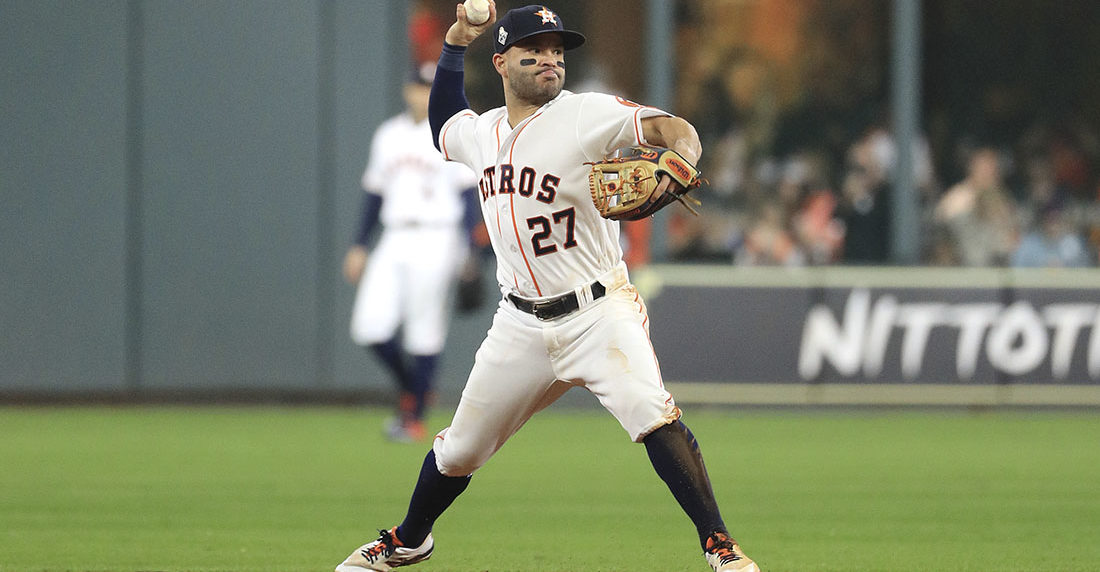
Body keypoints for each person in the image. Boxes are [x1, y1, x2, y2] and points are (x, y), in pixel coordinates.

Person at [334, 4, 760, 571]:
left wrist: (682, 155)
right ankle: (410, 539)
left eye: (557, 50)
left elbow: (671, 128)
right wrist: (455, 41)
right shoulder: (484, 133)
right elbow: (443, 124)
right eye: (533, 50)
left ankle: (719, 545)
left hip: (598, 311)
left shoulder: (586, 113)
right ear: (501, 62)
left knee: (652, 413)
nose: (549, 59)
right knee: (459, 449)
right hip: (520, 323)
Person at [343, 61, 480, 442]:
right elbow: (374, 193)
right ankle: (415, 388)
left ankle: (413, 417)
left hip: (439, 235)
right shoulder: (389, 134)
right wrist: (359, 244)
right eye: (419, 87)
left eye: (429, 88)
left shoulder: (451, 134)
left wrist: (470, 250)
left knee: (424, 330)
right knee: (369, 327)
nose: (423, 94)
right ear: (407, 90)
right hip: (395, 234)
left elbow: (467, 196)